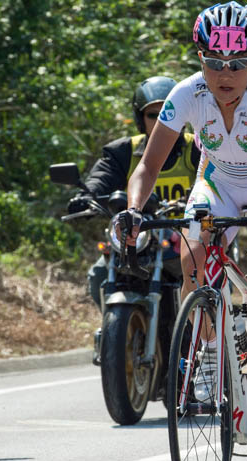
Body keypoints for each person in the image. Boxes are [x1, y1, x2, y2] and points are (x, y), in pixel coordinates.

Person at [118, 2, 247, 461]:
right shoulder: (187, 94)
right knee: (192, 260)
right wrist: (132, 211)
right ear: (200, 59)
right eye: (214, 63)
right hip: (217, 183)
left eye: (237, 64)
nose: (225, 74)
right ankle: (205, 353)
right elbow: (146, 167)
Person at [67, 76, 200, 310]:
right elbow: (102, 178)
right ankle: (117, 335)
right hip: (138, 237)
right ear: (140, 119)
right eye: (153, 115)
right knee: (99, 273)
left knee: (207, 274)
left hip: (187, 238)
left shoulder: (198, 147)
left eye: (169, 112)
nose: (163, 120)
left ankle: (210, 336)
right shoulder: (123, 151)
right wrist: (86, 198)